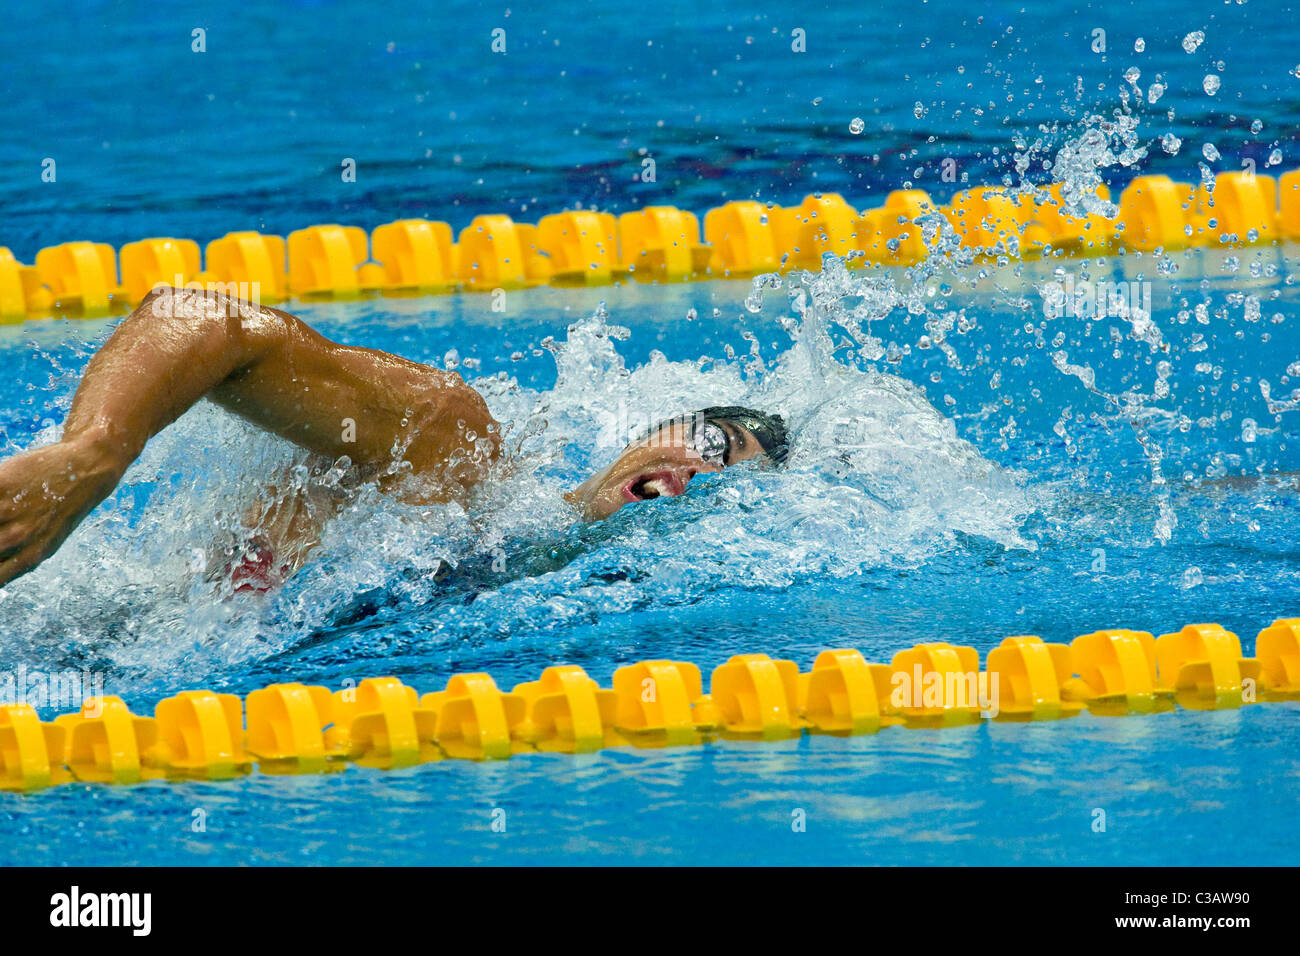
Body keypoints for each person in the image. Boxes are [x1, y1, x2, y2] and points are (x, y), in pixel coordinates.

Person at [0, 287, 788, 589]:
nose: (696, 478)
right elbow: (201, 317)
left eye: (723, 489)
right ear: (656, 431)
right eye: (712, 446)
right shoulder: (456, 447)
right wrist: (95, 453)